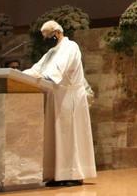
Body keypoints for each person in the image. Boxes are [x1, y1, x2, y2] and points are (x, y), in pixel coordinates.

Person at [25, 21, 97, 187]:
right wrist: (20, 75)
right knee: (55, 136)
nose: (45, 39)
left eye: (47, 36)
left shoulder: (70, 47)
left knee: (68, 135)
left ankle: (71, 173)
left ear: (57, 33)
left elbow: (57, 70)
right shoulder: (52, 52)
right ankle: (56, 173)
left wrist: (43, 76)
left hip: (69, 96)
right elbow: (38, 68)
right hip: (56, 96)